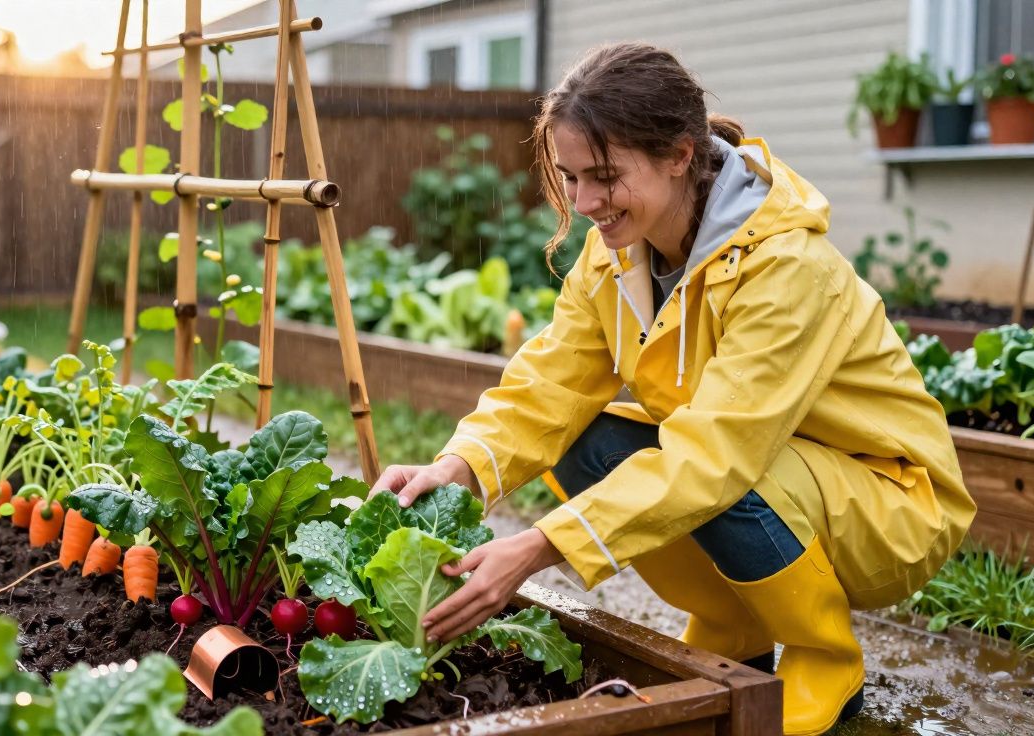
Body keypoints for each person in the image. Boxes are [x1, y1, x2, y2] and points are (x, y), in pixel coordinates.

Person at [370, 42, 975, 736]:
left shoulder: (785, 266)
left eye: (604, 176)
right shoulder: (616, 255)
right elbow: (548, 385)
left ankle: (823, 658)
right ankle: (731, 622)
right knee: (584, 441)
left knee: (722, 471)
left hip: (888, 500)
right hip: (774, 471)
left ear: (680, 155)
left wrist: (539, 546)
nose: (585, 202)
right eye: (570, 177)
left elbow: (718, 453)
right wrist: (459, 468)